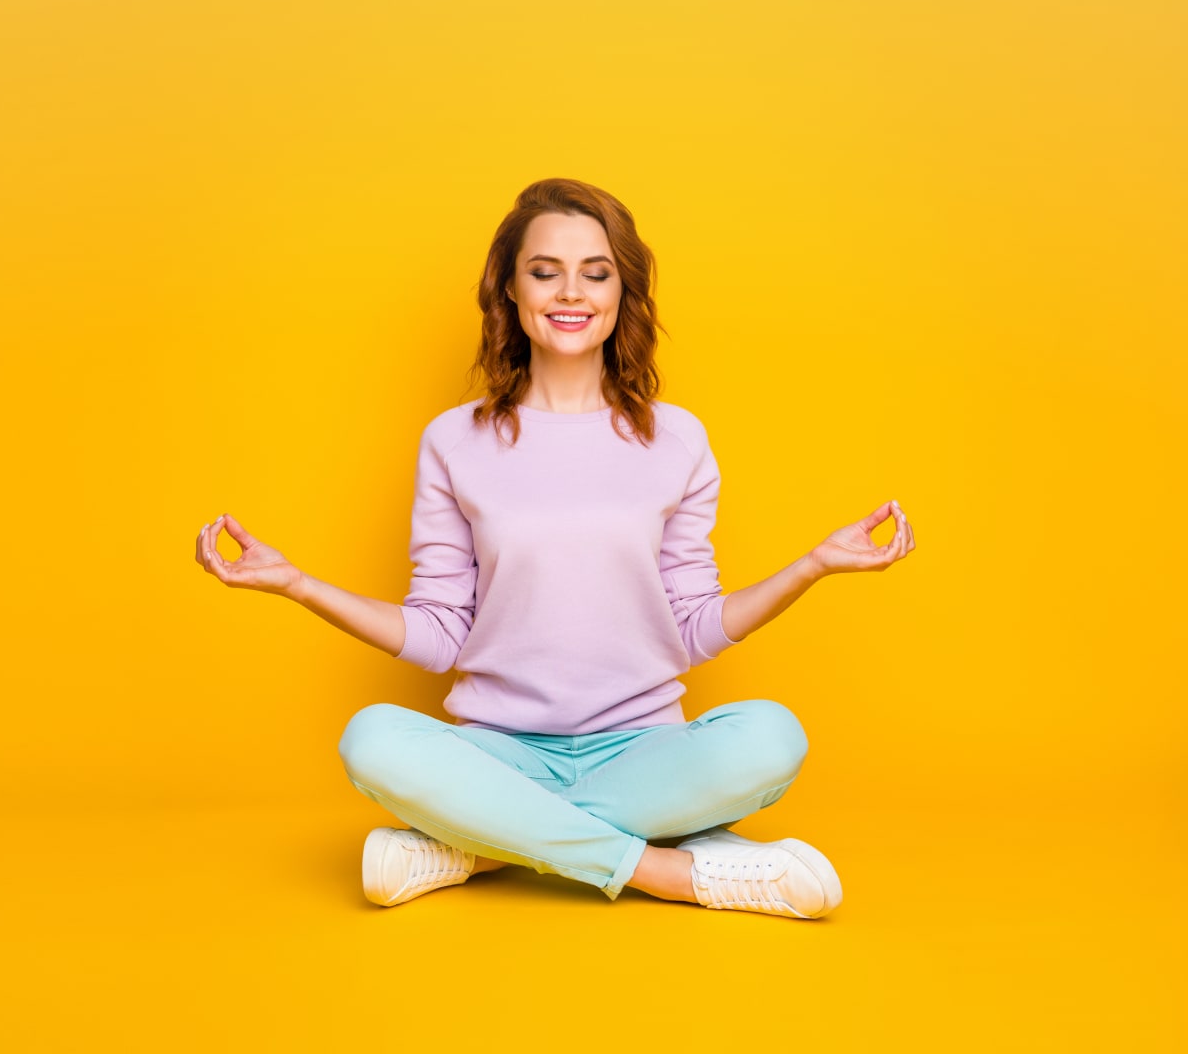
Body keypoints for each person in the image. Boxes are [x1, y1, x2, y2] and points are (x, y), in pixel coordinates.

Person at [190, 178, 916, 919]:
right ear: (510, 289)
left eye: (596, 272)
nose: (571, 292)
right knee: (372, 738)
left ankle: (475, 842)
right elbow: (441, 634)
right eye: (545, 271)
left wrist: (814, 566)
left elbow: (693, 626)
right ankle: (672, 872)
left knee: (770, 736)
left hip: (642, 753)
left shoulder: (678, 439)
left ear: (622, 291)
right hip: (498, 752)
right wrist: (297, 585)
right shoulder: (452, 441)